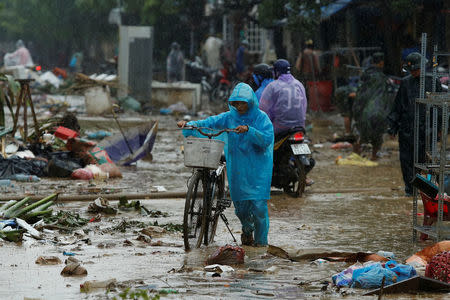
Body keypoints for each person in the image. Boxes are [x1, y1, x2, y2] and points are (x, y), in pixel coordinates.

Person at [178, 83, 274, 246]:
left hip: (258, 170)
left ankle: (261, 244)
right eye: (236, 103)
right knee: (241, 208)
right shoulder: (229, 117)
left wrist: (249, 130)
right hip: (237, 168)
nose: (239, 106)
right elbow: (210, 122)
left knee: (259, 208)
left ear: (250, 102)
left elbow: (266, 139)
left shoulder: (261, 118)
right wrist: (190, 125)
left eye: (242, 103)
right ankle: (247, 229)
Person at [387, 52, 442, 196]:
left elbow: (440, 107)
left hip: (428, 129)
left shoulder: (433, 82)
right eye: (412, 70)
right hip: (408, 129)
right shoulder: (406, 83)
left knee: (428, 161)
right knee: (407, 161)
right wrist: (392, 127)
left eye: (416, 69)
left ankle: (429, 192)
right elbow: (398, 106)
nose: (414, 72)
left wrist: (440, 128)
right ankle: (411, 191)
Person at [351, 52, 397, 160]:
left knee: (361, 134)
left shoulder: (366, 75)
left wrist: (357, 110)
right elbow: (385, 98)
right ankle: (374, 156)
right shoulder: (382, 78)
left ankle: (355, 155)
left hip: (364, 111)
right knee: (377, 136)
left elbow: (361, 94)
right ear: (381, 63)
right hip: (378, 112)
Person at [260, 59, 307, 137]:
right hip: (300, 127)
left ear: (277, 72)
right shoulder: (299, 84)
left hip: (280, 129)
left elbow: (263, 110)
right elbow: (304, 106)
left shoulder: (272, 86)